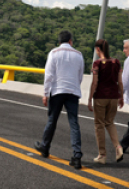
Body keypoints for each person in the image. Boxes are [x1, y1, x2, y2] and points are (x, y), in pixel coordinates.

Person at [34, 30, 84, 169]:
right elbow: (80, 76)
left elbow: (48, 75)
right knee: (74, 123)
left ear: (59, 41)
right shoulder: (79, 55)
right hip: (73, 91)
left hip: (57, 91)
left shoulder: (54, 53)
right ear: (70, 41)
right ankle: (77, 155)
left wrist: (45, 93)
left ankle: (45, 147)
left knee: (52, 120)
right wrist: (74, 86)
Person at [87, 39, 124, 164]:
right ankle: (118, 147)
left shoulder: (97, 63)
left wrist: (89, 98)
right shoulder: (116, 62)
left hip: (101, 96)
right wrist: (121, 96)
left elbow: (95, 82)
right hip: (114, 96)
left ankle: (102, 155)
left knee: (99, 125)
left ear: (98, 49)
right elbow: (120, 81)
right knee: (110, 122)